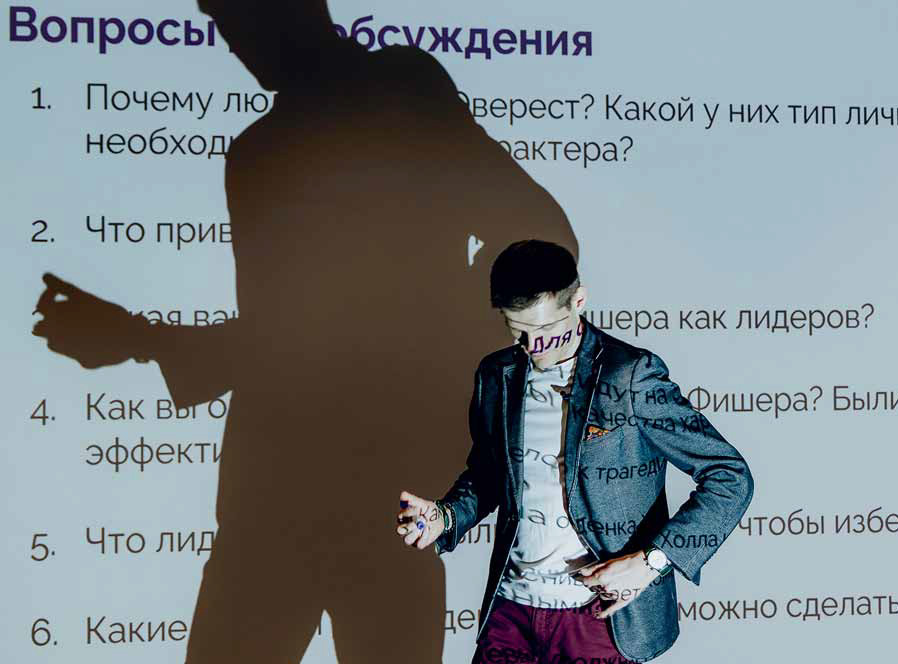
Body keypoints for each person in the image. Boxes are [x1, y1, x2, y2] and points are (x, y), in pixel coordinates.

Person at [30, 1, 577, 661]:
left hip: (383, 485)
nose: (235, 42)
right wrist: (138, 339)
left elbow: (541, 236)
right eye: (223, 23)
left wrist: (424, 334)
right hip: (277, 490)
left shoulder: (397, 90)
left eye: (240, 18)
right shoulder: (257, 152)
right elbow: (287, 341)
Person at [397, 240, 754, 664]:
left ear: (579, 301)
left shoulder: (630, 376)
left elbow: (730, 477)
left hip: (600, 619)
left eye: (547, 329)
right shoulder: (496, 374)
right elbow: (490, 475)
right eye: (518, 331)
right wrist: (446, 515)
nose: (535, 346)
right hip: (512, 611)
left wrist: (651, 563)